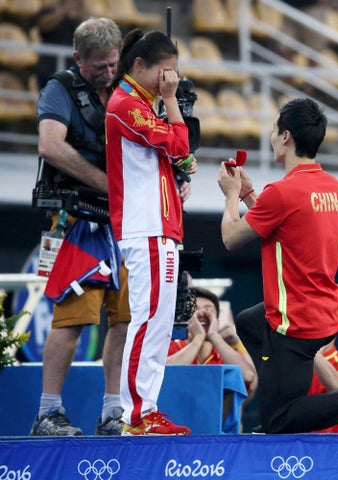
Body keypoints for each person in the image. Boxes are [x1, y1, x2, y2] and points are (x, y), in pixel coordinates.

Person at [217, 97, 338, 434]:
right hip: (324, 310)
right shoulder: (334, 189)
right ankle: (280, 390)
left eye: (274, 129)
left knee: (278, 421)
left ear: (285, 137)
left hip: (294, 321)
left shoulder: (283, 193)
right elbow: (287, 225)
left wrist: (230, 195)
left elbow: (231, 237)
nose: (271, 136)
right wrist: (250, 196)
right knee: (248, 323)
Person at [29, 17, 127, 437]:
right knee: (73, 318)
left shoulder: (127, 88)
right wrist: (104, 182)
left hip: (123, 222)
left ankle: (113, 411)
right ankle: (47, 412)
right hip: (77, 221)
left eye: (112, 64)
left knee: (125, 318)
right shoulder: (60, 89)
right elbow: (50, 146)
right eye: (97, 67)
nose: (107, 73)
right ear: (77, 59)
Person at [105, 28, 197, 436]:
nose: (170, 81)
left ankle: (147, 409)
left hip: (160, 225)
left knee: (159, 321)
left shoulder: (143, 104)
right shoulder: (126, 104)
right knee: (147, 319)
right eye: (165, 72)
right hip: (146, 227)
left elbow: (178, 155)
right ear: (139, 66)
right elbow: (179, 145)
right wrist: (173, 101)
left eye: (173, 75)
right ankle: (137, 414)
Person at [167, 287, 258, 400]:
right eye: (194, 309)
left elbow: (248, 376)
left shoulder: (225, 354)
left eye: (209, 309)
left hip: (216, 417)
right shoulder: (171, 348)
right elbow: (163, 375)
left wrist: (214, 336)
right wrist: (198, 339)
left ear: (217, 320)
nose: (202, 313)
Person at [35, 0, 88, 88]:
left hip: (72, 70)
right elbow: (43, 27)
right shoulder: (50, 8)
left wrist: (81, 9)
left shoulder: (78, 12)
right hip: (48, 67)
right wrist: (62, 11)